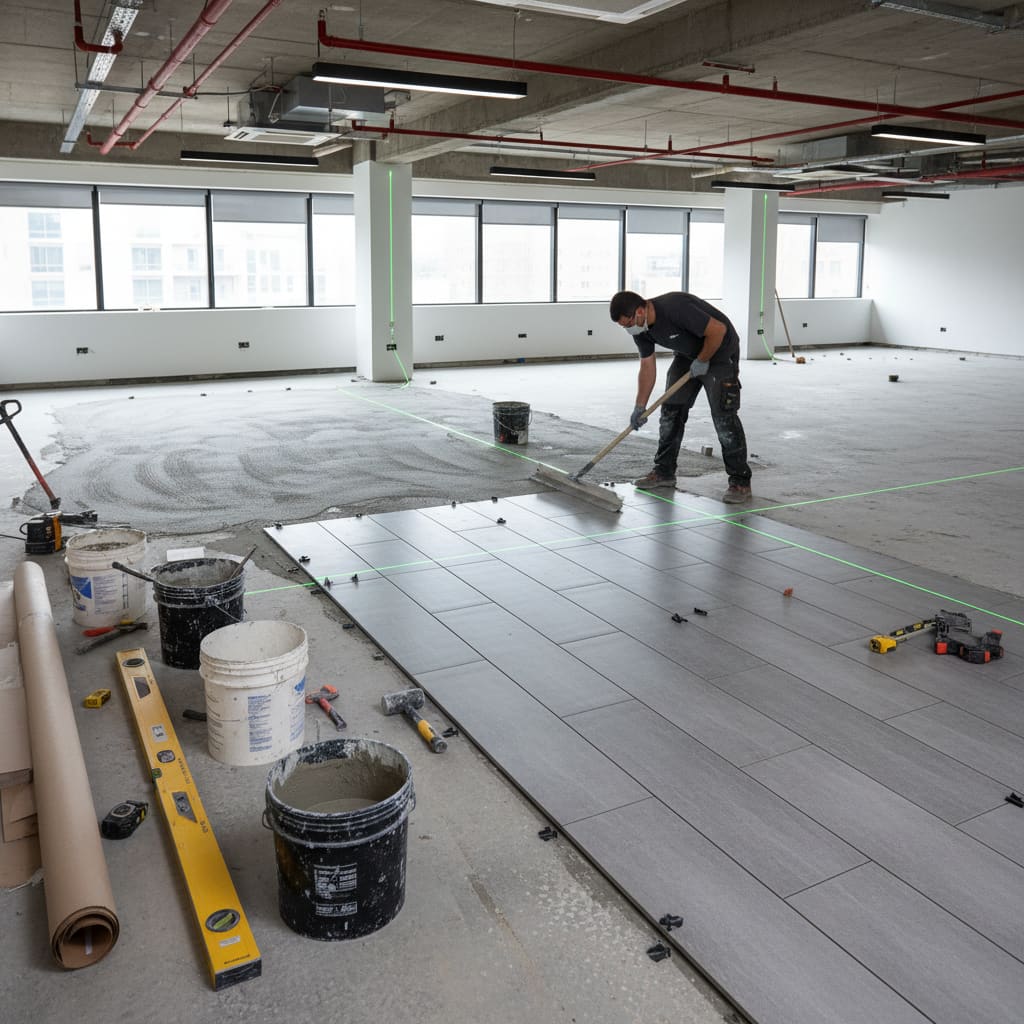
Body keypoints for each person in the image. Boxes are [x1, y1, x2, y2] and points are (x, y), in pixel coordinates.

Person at [609, 290, 753, 504]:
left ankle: (740, 482)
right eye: (624, 327)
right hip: (688, 356)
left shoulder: (675, 307)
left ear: (639, 311)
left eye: (628, 324)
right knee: (671, 412)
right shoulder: (641, 329)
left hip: (720, 351)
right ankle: (664, 472)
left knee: (724, 418)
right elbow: (647, 366)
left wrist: (703, 360)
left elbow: (718, 330)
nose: (629, 329)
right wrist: (640, 406)